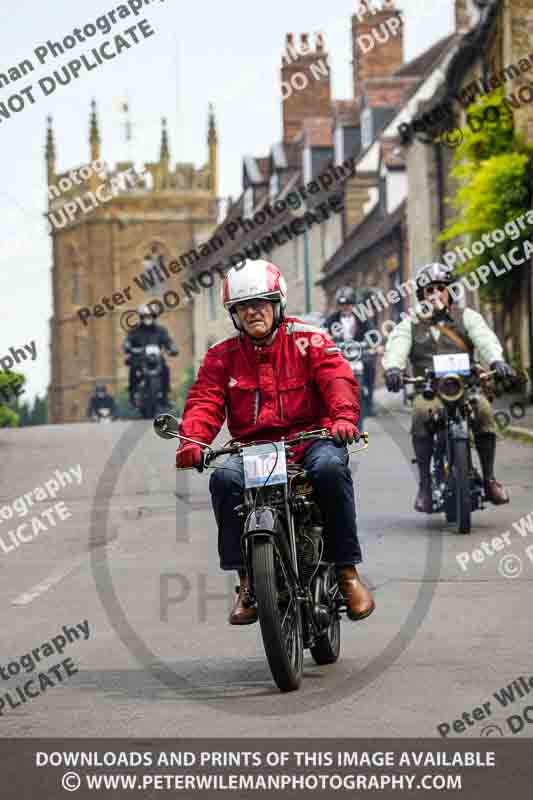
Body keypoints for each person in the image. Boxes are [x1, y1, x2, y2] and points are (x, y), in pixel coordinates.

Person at [176, 259, 375, 625]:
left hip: (310, 440)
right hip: (253, 449)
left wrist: (344, 418)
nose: (253, 312)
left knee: (330, 470)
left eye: (261, 303)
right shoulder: (221, 358)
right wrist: (192, 441)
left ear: (277, 303)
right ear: (234, 314)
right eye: (243, 307)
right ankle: (247, 583)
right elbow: (204, 401)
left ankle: (347, 574)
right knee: (223, 480)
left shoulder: (309, 339)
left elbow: (336, 379)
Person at [383, 262, 514, 512]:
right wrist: (393, 368)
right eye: (429, 290)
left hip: (466, 387)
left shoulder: (467, 317)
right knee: (421, 414)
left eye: (440, 288)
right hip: (430, 390)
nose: (434, 294)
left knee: (484, 411)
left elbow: (485, 339)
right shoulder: (410, 323)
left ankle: (489, 479)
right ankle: (424, 487)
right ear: (422, 295)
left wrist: (497, 360)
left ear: (449, 291)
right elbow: (397, 345)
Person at [325, 287, 378, 417]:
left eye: (348, 304)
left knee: (370, 366)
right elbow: (323, 333)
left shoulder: (362, 317)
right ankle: (328, 402)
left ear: (353, 304)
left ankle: (369, 401)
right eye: (342, 304)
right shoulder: (332, 319)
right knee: (327, 372)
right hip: (339, 355)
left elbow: (372, 334)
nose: (345, 307)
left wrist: (375, 344)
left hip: (359, 354)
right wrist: (326, 341)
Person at [123, 304, 178, 408]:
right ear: (141, 317)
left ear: (154, 317)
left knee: (166, 369)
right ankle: (132, 397)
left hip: (156, 359)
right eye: (145, 316)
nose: (148, 319)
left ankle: (165, 397)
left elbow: (168, 341)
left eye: (150, 316)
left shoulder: (161, 330)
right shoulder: (134, 330)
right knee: (133, 369)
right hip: (139, 358)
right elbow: (128, 340)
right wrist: (127, 346)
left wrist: (172, 348)